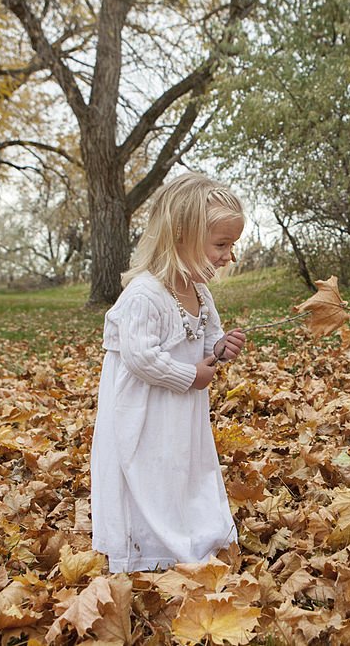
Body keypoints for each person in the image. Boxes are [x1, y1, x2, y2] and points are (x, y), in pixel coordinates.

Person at [90, 172, 247, 572]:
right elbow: (140, 357)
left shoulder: (200, 292)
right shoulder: (145, 294)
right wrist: (190, 376)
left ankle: (192, 531)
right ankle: (149, 548)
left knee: (183, 470)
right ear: (181, 234)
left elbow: (207, 337)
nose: (228, 256)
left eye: (232, 245)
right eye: (221, 244)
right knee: (151, 473)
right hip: (144, 414)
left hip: (180, 415)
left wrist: (221, 348)